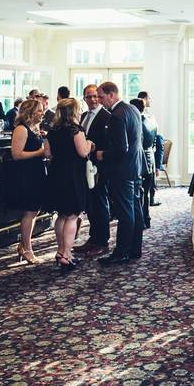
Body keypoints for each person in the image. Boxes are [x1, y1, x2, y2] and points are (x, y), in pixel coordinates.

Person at [95, 81, 145, 266]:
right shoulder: (132, 109)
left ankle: (122, 252)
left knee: (125, 212)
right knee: (135, 209)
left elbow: (121, 149)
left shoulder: (116, 115)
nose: (99, 101)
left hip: (122, 169)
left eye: (101, 97)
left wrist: (102, 154)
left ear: (111, 95)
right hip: (135, 167)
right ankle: (135, 249)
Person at [44, 98, 92, 271]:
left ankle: (60, 251)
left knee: (61, 215)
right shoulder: (76, 130)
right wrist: (89, 144)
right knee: (72, 215)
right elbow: (82, 152)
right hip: (72, 175)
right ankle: (66, 254)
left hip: (56, 174)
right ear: (74, 111)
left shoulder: (52, 130)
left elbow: (48, 154)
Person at [6, 99, 48, 264]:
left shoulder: (34, 129)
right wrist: (39, 152)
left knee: (33, 211)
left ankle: (24, 246)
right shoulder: (21, 129)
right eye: (39, 111)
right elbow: (16, 154)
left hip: (35, 172)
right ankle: (27, 249)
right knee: (30, 212)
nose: (42, 113)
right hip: (25, 174)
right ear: (30, 112)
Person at [74, 85, 112, 256]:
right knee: (90, 205)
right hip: (85, 167)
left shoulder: (107, 117)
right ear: (84, 99)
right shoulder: (82, 116)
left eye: (96, 96)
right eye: (89, 97)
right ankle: (93, 238)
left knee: (100, 203)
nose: (93, 100)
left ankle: (102, 241)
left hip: (100, 167)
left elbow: (109, 143)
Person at [130, 98, 158, 227]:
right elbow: (155, 143)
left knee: (139, 193)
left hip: (140, 159)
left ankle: (141, 220)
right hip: (150, 157)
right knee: (145, 192)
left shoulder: (137, 123)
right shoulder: (151, 121)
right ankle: (146, 218)